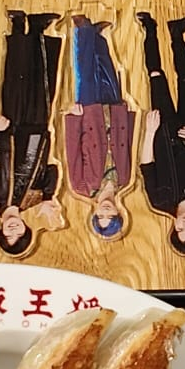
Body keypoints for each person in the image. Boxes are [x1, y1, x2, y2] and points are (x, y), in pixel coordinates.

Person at [0, 9, 66, 256]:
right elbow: (52, 170)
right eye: (19, 234)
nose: (13, 230)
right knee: (42, 81)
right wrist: (48, 196)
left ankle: (17, 26)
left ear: (0, 231)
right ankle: (37, 29)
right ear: (26, 228)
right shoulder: (32, 200)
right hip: (36, 135)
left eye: (9, 235)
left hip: (10, 132)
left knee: (16, 79)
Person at [137, 12, 185, 255]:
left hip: (162, 131)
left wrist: (150, 133)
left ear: (173, 228)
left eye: (180, 230)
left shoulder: (159, 201)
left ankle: (149, 28)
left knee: (156, 76)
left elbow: (147, 166)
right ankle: (177, 34)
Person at [63, 13, 135, 241]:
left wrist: (74, 120)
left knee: (86, 76)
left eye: (100, 216)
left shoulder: (83, 187)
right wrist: (129, 117)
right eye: (110, 215)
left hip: (90, 122)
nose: (105, 211)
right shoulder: (124, 181)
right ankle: (98, 37)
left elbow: (72, 152)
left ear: (94, 212)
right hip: (115, 120)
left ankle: (82, 29)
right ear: (118, 212)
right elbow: (128, 148)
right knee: (108, 75)